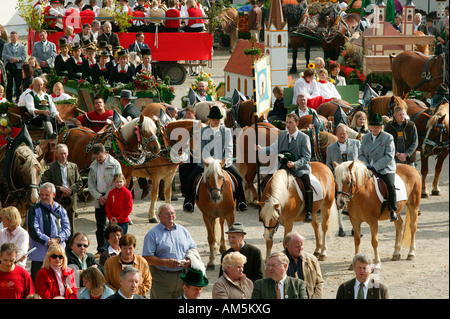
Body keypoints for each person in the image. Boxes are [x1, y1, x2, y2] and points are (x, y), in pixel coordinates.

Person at [183, 105, 248, 213]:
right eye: (214, 119)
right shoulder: (203, 132)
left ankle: (241, 202)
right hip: (206, 163)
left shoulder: (226, 131)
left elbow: (229, 148)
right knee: (191, 179)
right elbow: (202, 149)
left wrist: (223, 162)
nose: (216, 121)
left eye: (218, 119)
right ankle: (189, 203)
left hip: (223, 162)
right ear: (210, 119)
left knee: (239, 178)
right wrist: (210, 162)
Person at [257, 113, 313, 222]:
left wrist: (295, 164)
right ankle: (265, 209)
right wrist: (261, 149)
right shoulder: (282, 134)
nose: (287, 125)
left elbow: (307, 157)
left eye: (290, 122)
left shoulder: (304, 138)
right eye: (286, 122)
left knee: (307, 185)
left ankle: (309, 212)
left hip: (299, 168)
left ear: (296, 123)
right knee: (265, 182)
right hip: (283, 167)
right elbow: (273, 148)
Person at [142, 204, 197, 299]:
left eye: (172, 213)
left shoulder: (183, 230)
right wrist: (165, 262)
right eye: (167, 214)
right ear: (159, 216)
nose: (170, 216)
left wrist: (189, 259)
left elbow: (193, 248)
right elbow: (147, 257)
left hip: (183, 278)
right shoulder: (152, 234)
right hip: (162, 280)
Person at [27, 182, 71, 284]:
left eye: (47, 195)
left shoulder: (60, 209)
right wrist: (49, 241)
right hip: (40, 256)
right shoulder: (34, 210)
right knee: (38, 284)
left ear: (54, 195)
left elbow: (67, 229)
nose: (43, 197)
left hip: (58, 256)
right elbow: (34, 231)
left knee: (58, 284)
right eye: (42, 194)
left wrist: (58, 239)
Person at [358, 113, 398, 222]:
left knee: (390, 185)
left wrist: (375, 167)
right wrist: (367, 166)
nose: (375, 129)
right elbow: (361, 154)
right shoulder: (365, 137)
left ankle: (392, 209)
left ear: (381, 127)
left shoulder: (388, 137)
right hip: (367, 168)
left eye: (377, 127)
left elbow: (389, 156)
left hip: (384, 168)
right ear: (370, 127)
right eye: (373, 126)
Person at [41, 143, 83, 237]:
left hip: (70, 201)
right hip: (56, 201)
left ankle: (70, 249)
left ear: (68, 153)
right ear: (56, 154)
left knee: (70, 228)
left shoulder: (73, 166)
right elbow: (46, 183)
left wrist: (70, 190)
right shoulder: (50, 167)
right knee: (56, 227)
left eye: (65, 153)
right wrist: (61, 189)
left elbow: (79, 182)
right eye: (61, 154)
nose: (63, 156)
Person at [88, 143, 122, 255]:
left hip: (112, 198)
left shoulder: (115, 164)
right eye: (96, 158)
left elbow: (117, 182)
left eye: (100, 157)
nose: (98, 159)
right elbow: (91, 185)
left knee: (113, 225)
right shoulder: (93, 166)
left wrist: (106, 197)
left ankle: (114, 248)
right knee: (100, 225)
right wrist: (99, 197)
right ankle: (101, 249)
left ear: (105, 153)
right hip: (99, 198)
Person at [284, 231, 324, 299]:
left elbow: (319, 283)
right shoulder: (277, 261)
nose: (300, 249)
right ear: (287, 245)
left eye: (302, 245)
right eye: (297, 246)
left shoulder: (312, 260)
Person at [2, 31, 27, 102]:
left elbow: (24, 57)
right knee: (9, 83)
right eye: (11, 37)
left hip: (18, 67)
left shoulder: (22, 47)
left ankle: (18, 99)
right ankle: (9, 99)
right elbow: (3, 55)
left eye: (14, 37)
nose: (12, 38)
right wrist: (10, 58)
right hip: (9, 67)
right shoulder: (6, 46)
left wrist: (16, 59)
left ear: (17, 37)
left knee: (18, 83)